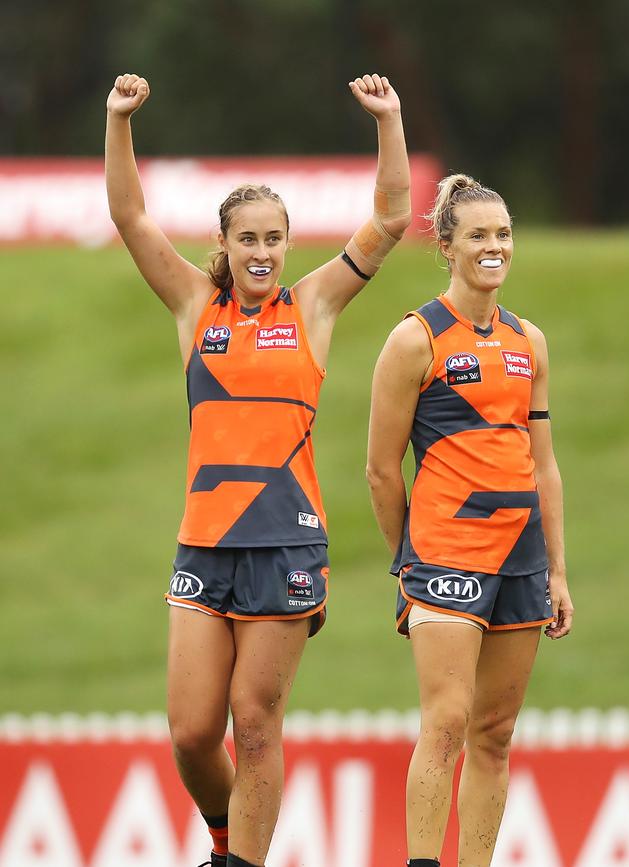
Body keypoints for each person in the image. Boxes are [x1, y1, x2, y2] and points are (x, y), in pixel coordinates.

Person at [105, 72, 410, 867]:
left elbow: (391, 217)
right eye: (249, 239)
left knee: (255, 718)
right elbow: (130, 215)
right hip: (203, 543)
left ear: (287, 245)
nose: (264, 252)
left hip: (287, 543)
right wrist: (119, 121)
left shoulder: (312, 306)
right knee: (191, 729)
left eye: (276, 238)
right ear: (227, 244)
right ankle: (222, 839)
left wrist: (389, 120)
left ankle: (241, 864)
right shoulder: (191, 307)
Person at [366, 174, 573, 867]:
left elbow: (544, 466)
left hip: (523, 556)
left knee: (495, 732)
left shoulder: (530, 342)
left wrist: (558, 571)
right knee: (447, 720)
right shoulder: (413, 339)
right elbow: (380, 468)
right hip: (446, 554)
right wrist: (410, 556)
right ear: (446, 246)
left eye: (504, 233)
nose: (495, 246)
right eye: (479, 235)